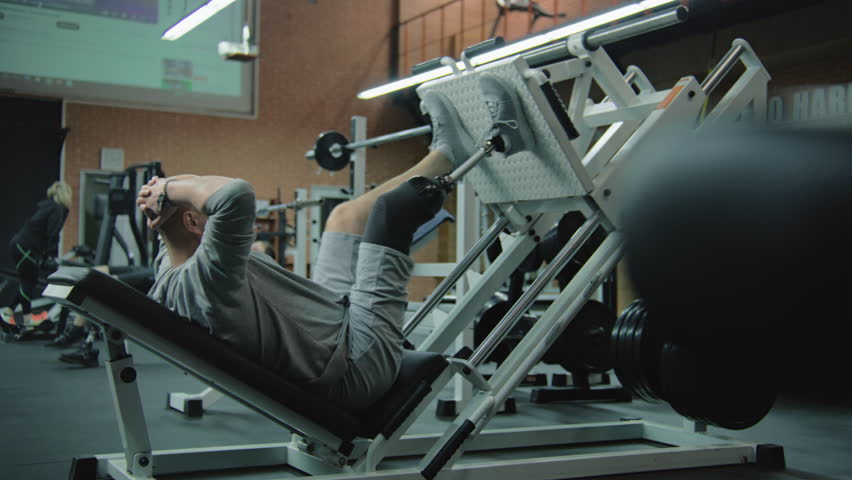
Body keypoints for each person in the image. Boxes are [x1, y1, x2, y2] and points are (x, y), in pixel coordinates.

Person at [135, 83, 528, 409]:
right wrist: (170, 187)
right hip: (357, 364)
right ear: (193, 223)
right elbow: (234, 194)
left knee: (344, 217)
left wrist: (166, 201)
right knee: (391, 212)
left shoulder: (170, 267)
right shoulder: (208, 275)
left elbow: (184, 224)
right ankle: (484, 144)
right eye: (197, 201)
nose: (195, 188)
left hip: (333, 331)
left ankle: (446, 153)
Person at [2, 181, 72, 337]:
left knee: (28, 280)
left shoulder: (48, 206)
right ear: (66, 195)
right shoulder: (58, 209)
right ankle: (27, 318)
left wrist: (45, 256)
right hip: (25, 247)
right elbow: (52, 233)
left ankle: (8, 311)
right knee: (28, 281)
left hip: (20, 245)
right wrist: (51, 256)